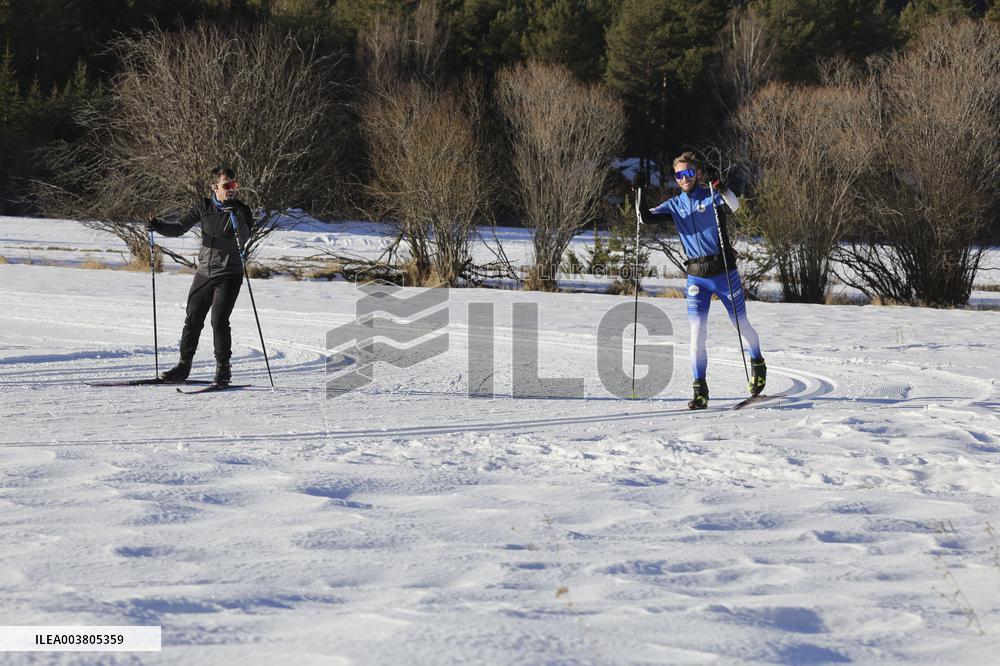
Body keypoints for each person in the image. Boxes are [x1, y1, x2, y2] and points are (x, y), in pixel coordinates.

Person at [640, 151, 765, 409]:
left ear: (697, 174)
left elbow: (735, 205)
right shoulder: (675, 205)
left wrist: (719, 185)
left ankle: (757, 361)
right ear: (676, 178)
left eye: (688, 173)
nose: (684, 178)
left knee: (740, 324)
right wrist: (639, 191)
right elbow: (644, 218)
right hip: (697, 277)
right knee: (697, 334)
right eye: (679, 175)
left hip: (723, 273)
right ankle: (700, 390)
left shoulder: (711, 195)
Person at [146, 165, 253, 386]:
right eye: (227, 185)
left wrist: (236, 215)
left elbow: (243, 238)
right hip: (204, 272)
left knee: (218, 321)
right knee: (192, 319)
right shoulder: (203, 207)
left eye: (234, 185)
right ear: (215, 187)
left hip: (229, 273)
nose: (231, 189)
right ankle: (183, 367)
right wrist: (156, 226)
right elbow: (178, 228)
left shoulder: (242, 210)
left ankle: (223, 370)